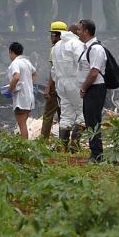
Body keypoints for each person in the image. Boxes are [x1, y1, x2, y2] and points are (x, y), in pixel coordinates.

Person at [75, 19, 109, 161]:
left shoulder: (96, 49)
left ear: (87, 31)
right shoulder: (87, 48)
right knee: (90, 121)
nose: (78, 32)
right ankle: (95, 152)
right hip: (90, 89)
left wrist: (83, 87)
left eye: (79, 30)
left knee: (93, 122)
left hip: (95, 89)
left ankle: (97, 155)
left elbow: (94, 72)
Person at [49, 20, 84, 149]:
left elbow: (53, 70)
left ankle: (62, 146)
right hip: (75, 83)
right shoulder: (77, 44)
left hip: (61, 84)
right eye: (80, 30)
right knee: (82, 113)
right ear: (76, 32)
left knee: (66, 115)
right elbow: (83, 64)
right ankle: (74, 145)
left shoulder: (56, 47)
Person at [38, 22, 67, 141]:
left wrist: (48, 87)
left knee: (48, 114)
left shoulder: (55, 49)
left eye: (52, 35)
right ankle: (63, 141)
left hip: (56, 85)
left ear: (58, 35)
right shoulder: (69, 47)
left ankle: (43, 141)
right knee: (63, 115)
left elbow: (53, 70)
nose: (51, 37)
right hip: (66, 86)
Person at [6, 41, 36, 140]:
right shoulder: (27, 62)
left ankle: (23, 146)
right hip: (29, 97)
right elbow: (35, 74)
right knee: (24, 123)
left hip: (21, 98)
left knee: (22, 124)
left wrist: (9, 90)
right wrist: (28, 83)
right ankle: (24, 144)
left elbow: (16, 77)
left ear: (11, 52)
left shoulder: (15, 63)